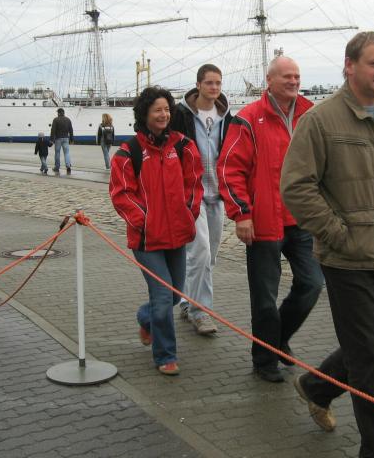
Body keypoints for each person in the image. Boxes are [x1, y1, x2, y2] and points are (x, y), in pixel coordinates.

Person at [281, 31, 374, 457]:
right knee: (366, 360)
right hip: (346, 258)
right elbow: (296, 186)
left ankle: (317, 386)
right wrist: (336, 232)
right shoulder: (321, 121)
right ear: (349, 66)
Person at [218, 55, 324, 383]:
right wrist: (242, 214)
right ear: (270, 80)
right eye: (287, 76)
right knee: (264, 297)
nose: (293, 81)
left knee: (312, 284)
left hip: (300, 219)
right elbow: (230, 168)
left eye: (297, 76)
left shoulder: (310, 114)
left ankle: (277, 339)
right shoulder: (249, 118)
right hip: (264, 220)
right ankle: (264, 359)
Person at [110, 86, 203, 376]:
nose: (163, 115)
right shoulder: (129, 152)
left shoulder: (183, 146)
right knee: (163, 297)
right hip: (147, 240)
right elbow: (121, 194)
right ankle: (166, 355)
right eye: (157, 110)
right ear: (145, 114)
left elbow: (194, 183)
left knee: (174, 295)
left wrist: (188, 213)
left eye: (166, 109)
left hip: (177, 235)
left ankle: (145, 317)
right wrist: (144, 221)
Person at [170, 64, 232, 336]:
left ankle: (186, 300)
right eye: (209, 83)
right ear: (198, 85)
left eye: (218, 83)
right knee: (201, 252)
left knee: (210, 255)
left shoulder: (226, 116)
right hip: (192, 195)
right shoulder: (181, 115)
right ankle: (200, 312)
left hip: (217, 194)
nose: (214, 87)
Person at [50, 108, 74, 175]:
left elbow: (53, 130)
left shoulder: (56, 119)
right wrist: (71, 139)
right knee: (66, 153)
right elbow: (71, 130)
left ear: (58, 113)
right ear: (63, 112)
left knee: (57, 153)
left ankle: (57, 167)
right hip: (66, 138)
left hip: (58, 139)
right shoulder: (68, 119)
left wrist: (51, 139)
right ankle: (68, 166)